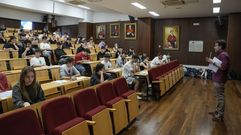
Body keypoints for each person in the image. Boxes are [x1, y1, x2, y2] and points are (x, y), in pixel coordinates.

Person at [206, 40, 230, 122]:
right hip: (217, 78)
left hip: (220, 79)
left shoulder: (224, 55)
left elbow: (223, 67)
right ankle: (217, 112)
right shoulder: (221, 54)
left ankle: (219, 115)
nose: (214, 47)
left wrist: (212, 62)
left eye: (216, 45)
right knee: (218, 97)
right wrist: (212, 62)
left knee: (220, 97)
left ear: (220, 46)